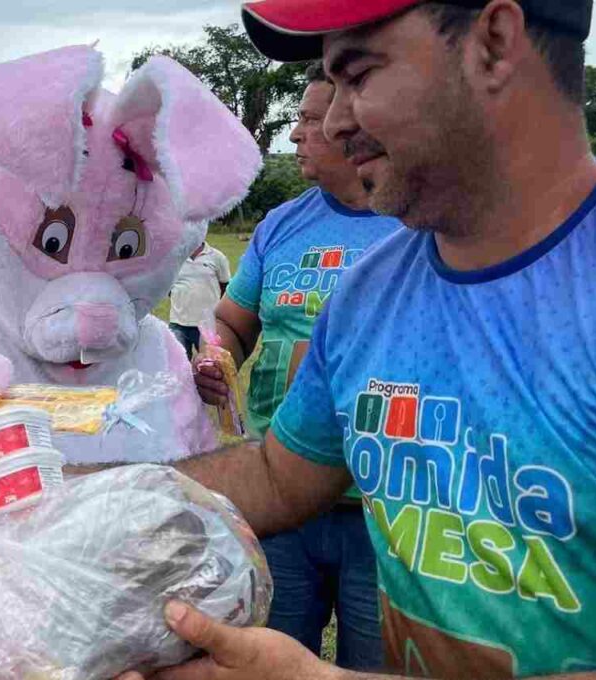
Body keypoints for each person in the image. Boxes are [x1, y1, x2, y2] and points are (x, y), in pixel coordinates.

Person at [123, 0, 596, 678]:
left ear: (495, 42)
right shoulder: (369, 293)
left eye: (360, 73)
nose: (334, 122)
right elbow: (277, 477)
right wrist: (66, 497)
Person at [195, 61, 401, 668]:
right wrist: (216, 356)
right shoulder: (282, 225)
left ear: (353, 121)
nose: (295, 133)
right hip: (277, 491)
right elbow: (235, 322)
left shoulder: (414, 226)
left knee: (371, 665)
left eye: (310, 119)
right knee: (266, 658)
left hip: (381, 509)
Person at [169, 240, 232, 359]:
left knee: (210, 363)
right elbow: (168, 287)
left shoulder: (217, 257)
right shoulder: (174, 258)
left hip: (207, 326)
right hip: (178, 323)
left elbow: (225, 286)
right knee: (178, 363)